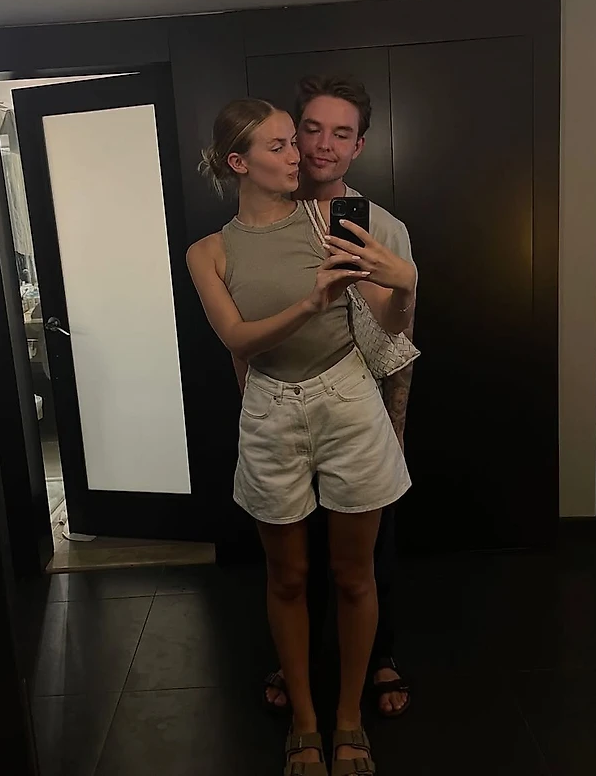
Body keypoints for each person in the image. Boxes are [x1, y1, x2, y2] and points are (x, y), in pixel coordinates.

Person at [187, 98, 415, 775]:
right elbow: (237, 339)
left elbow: (390, 325)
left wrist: (405, 286)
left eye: (298, 140)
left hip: (347, 398)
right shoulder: (208, 252)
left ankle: (348, 720)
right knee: (287, 576)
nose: (302, 155)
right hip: (270, 407)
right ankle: (307, 724)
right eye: (282, 145)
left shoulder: (330, 221)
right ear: (239, 162)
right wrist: (311, 302)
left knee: (353, 575)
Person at [262, 75, 416, 719]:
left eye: (341, 133)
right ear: (294, 135)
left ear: (359, 146)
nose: (324, 144)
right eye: (313, 129)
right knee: (292, 551)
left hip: (362, 407)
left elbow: (400, 337)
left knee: (366, 555)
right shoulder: (264, 219)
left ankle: (379, 655)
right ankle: (293, 659)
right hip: (282, 405)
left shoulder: (384, 228)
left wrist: (396, 428)